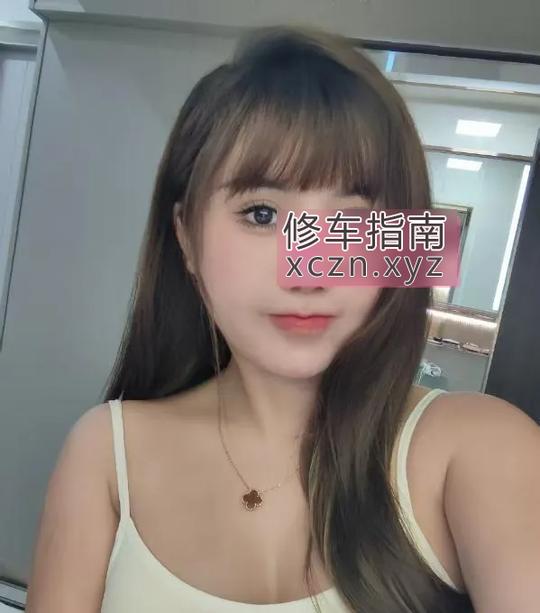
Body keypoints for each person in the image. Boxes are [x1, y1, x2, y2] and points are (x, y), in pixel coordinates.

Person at [26, 24, 540, 613]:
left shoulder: (480, 448)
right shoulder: (105, 453)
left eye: (351, 222)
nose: (308, 272)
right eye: (262, 214)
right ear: (186, 237)